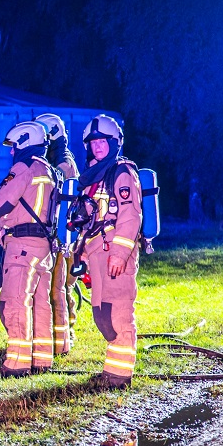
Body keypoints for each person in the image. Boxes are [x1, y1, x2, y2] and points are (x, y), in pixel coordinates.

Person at [0, 120, 58, 377]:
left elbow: (4, 203)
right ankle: (42, 360)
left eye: (13, 146)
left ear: (24, 143)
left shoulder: (23, 168)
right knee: (41, 305)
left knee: (15, 303)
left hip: (22, 249)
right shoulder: (48, 170)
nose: (11, 152)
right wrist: (0, 232)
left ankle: (17, 365)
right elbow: (28, 213)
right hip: (43, 247)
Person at [71, 114, 143, 389]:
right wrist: (85, 256)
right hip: (97, 249)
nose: (98, 146)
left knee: (118, 311)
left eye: (103, 141)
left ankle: (119, 377)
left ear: (115, 143)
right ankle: (111, 371)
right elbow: (91, 222)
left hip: (115, 251)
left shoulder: (121, 172)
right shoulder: (93, 178)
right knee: (103, 315)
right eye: (94, 142)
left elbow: (130, 216)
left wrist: (119, 254)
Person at [36, 113, 79, 357]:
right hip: (58, 238)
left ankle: (62, 341)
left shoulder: (62, 165)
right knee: (59, 290)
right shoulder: (58, 160)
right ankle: (56, 338)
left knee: (57, 291)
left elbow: (61, 208)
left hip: (61, 241)